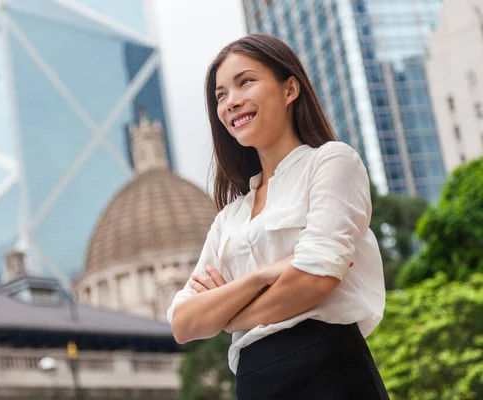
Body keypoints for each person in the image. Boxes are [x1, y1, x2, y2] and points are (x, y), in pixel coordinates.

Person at [166, 34, 390, 399]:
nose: (231, 102)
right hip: (254, 382)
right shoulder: (229, 219)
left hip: (328, 367)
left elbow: (315, 280)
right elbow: (184, 323)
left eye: (245, 82)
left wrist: (228, 315)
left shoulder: (331, 162)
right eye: (221, 95)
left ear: (290, 90)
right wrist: (263, 276)